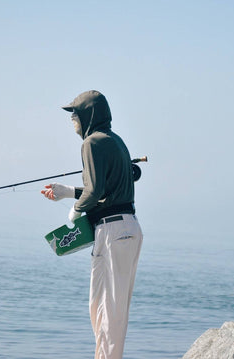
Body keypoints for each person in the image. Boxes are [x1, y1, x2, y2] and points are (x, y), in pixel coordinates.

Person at [41, 90, 143, 359]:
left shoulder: (90, 143)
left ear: (89, 114)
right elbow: (106, 192)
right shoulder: (116, 141)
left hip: (113, 231)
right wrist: (68, 193)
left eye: (76, 112)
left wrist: (76, 209)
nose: (73, 118)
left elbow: (95, 190)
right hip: (122, 227)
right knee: (101, 307)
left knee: (109, 311)